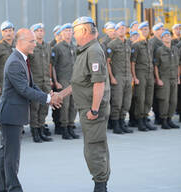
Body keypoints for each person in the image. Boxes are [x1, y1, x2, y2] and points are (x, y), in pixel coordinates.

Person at [0, 28, 62, 192]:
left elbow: (32, 85)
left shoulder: (22, 59)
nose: (34, 44)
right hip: (11, 115)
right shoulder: (16, 62)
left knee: (6, 153)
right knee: (11, 156)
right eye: (31, 41)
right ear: (21, 42)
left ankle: (0, 188)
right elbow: (24, 89)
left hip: (13, 114)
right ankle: (13, 188)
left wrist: (46, 95)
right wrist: (48, 99)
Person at [58, 16, 111, 192]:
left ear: (85, 31)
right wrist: (60, 95)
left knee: (94, 147)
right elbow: (79, 82)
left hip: (92, 110)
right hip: (88, 108)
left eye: (75, 32)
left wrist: (94, 110)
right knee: (95, 145)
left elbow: (99, 83)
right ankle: (101, 181)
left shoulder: (94, 51)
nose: (73, 36)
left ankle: (100, 186)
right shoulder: (86, 50)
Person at [51, 23, 79, 139]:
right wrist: (55, 81)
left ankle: (71, 126)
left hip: (73, 79)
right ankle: (64, 128)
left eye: (70, 30)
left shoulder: (74, 46)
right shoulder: (57, 47)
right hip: (63, 79)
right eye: (66, 31)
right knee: (65, 105)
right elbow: (52, 66)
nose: (68, 33)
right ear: (61, 33)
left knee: (74, 105)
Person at [106, 21, 133, 134]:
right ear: (116, 31)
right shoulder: (112, 44)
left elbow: (130, 61)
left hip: (127, 76)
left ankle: (122, 122)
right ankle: (116, 124)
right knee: (117, 101)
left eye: (124, 28)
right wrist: (111, 77)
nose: (122, 30)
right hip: (118, 76)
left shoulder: (128, 43)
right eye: (120, 28)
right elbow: (107, 62)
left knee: (126, 101)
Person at [28, 23, 53, 142]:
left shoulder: (47, 46)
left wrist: (50, 78)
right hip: (35, 82)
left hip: (45, 81)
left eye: (42, 30)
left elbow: (49, 64)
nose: (40, 32)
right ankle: (35, 132)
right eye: (37, 30)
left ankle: (42, 128)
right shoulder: (31, 46)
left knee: (44, 107)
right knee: (35, 107)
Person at [130, 21, 157, 131]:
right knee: (140, 98)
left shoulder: (150, 44)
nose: (145, 31)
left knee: (148, 98)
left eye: (147, 29)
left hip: (149, 73)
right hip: (140, 73)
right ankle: (140, 121)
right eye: (143, 29)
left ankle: (146, 118)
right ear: (139, 31)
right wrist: (134, 77)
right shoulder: (136, 45)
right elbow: (133, 62)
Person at [154, 31, 180, 129]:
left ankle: (170, 119)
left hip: (173, 78)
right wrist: (158, 79)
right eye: (165, 36)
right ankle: (163, 120)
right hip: (164, 78)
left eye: (169, 36)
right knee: (164, 100)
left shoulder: (175, 49)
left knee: (173, 100)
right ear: (162, 38)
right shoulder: (159, 50)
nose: (167, 37)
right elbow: (156, 66)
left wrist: (178, 78)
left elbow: (178, 65)